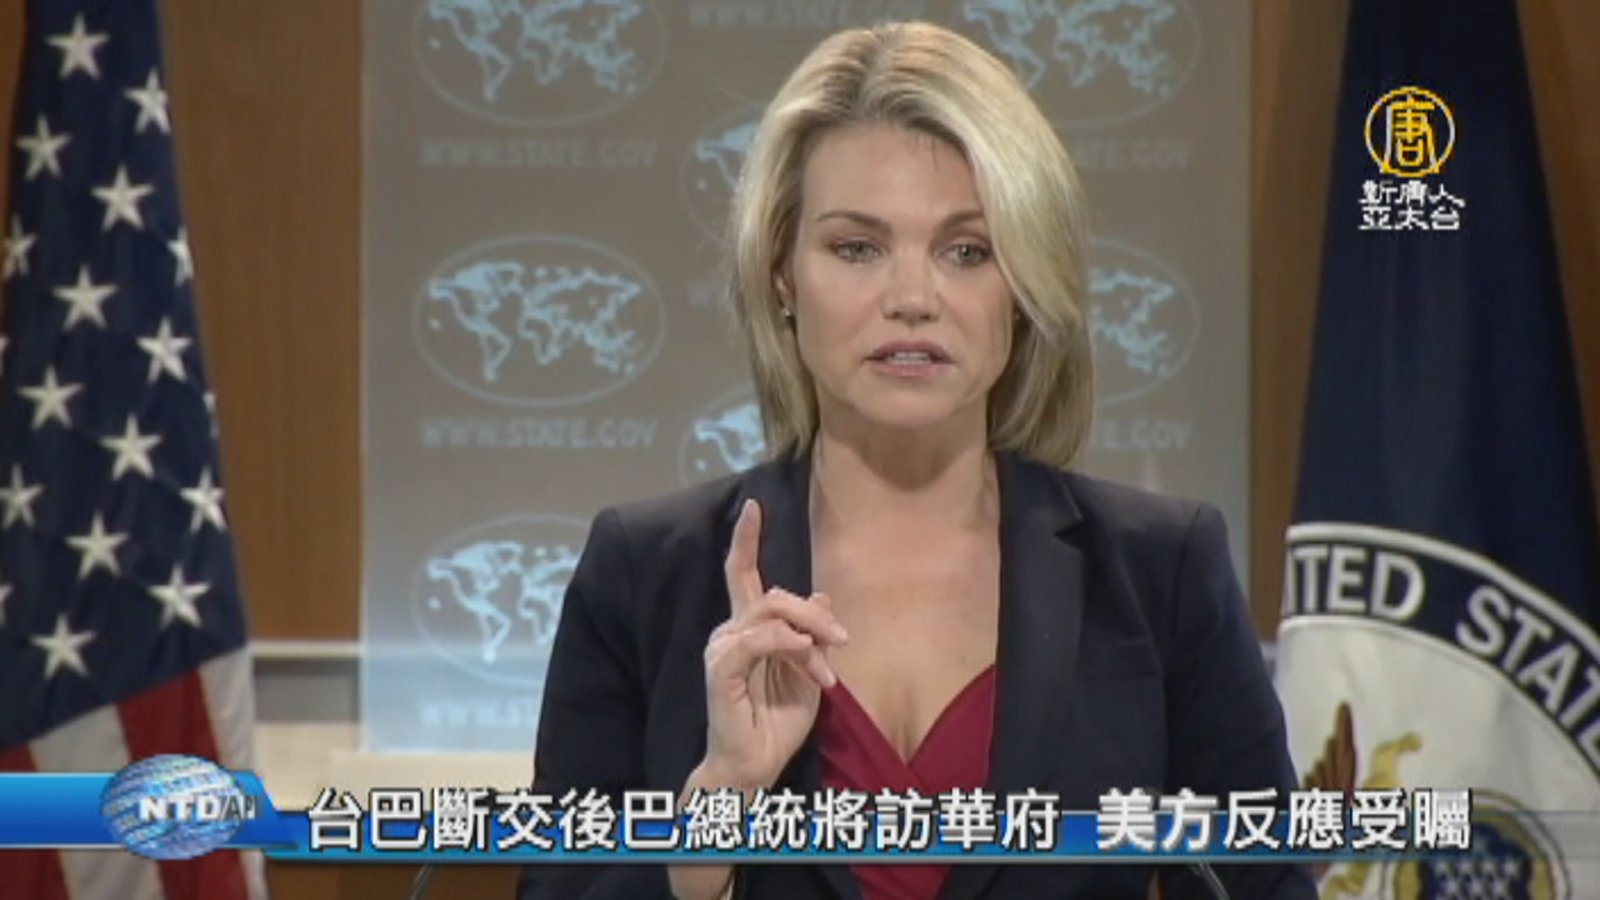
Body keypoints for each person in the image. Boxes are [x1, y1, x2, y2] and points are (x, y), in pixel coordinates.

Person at [516, 20, 1314, 900]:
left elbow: (1265, 885)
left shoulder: (1160, 570)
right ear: (782, 274)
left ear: (1023, 284)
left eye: (966, 251)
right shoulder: (645, 574)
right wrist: (720, 804)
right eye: (857, 248)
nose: (911, 298)